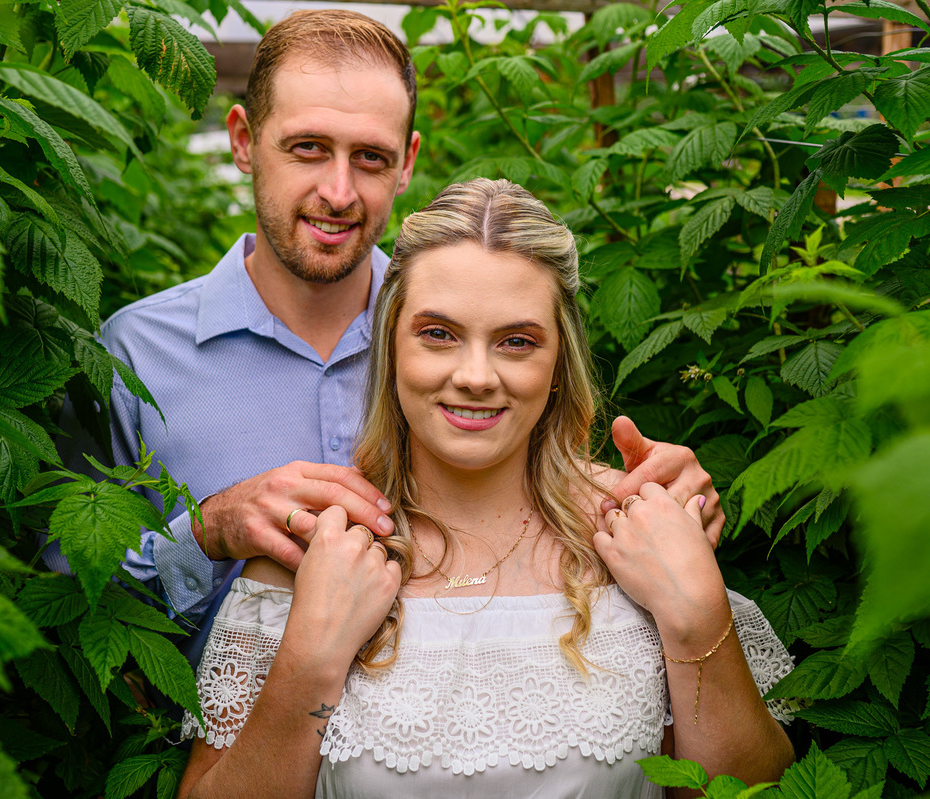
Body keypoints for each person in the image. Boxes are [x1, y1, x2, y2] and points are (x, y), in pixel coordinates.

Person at [53, 10, 724, 627]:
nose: (339, 192)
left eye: (369, 157)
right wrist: (206, 535)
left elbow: (554, 496)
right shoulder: (134, 356)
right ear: (243, 141)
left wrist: (658, 498)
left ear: (405, 163)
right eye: (308, 148)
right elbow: (64, 604)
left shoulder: (471, 345)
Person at [177, 179, 795, 799]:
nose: (475, 377)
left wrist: (697, 615)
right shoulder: (314, 552)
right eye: (438, 334)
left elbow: (748, 788)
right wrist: (309, 662)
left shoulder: (634, 535)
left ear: (559, 364)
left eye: (517, 342)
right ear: (390, 347)